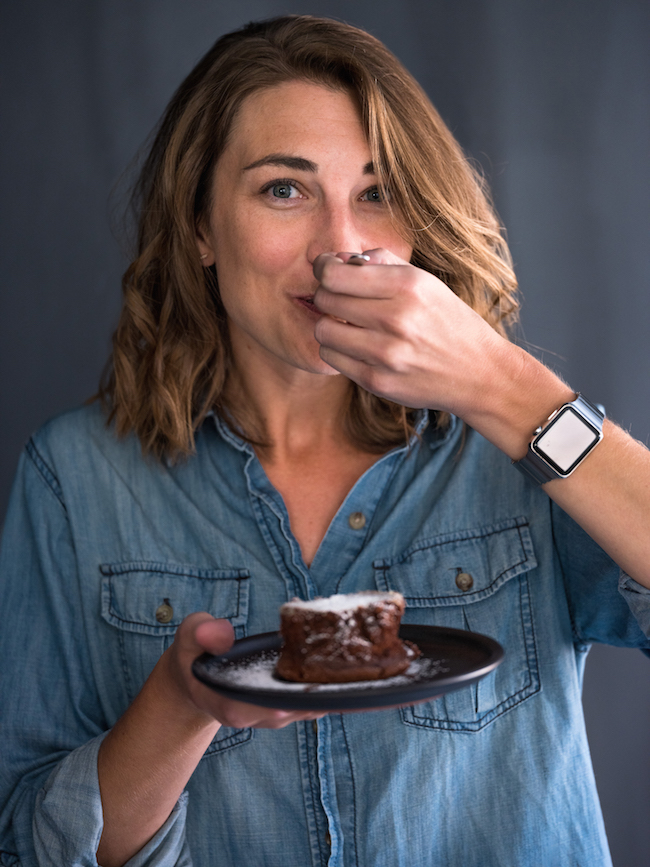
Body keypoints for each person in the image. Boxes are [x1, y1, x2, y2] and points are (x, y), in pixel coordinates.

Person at [1, 14, 649, 867]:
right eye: (284, 189)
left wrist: (502, 383)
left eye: (377, 193)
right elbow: (29, 844)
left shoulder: (507, 443)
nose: (341, 245)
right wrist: (180, 704)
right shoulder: (75, 477)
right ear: (201, 227)